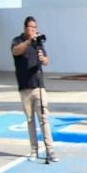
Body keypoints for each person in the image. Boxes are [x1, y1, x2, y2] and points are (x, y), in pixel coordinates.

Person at [10, 16, 57, 163]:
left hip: (38, 86)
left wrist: (43, 59)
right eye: (30, 27)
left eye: (34, 27)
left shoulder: (38, 43)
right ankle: (34, 150)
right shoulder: (18, 41)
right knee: (30, 121)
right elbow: (15, 51)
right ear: (25, 28)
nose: (33, 30)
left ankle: (50, 150)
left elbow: (47, 61)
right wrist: (28, 41)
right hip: (24, 88)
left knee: (44, 118)